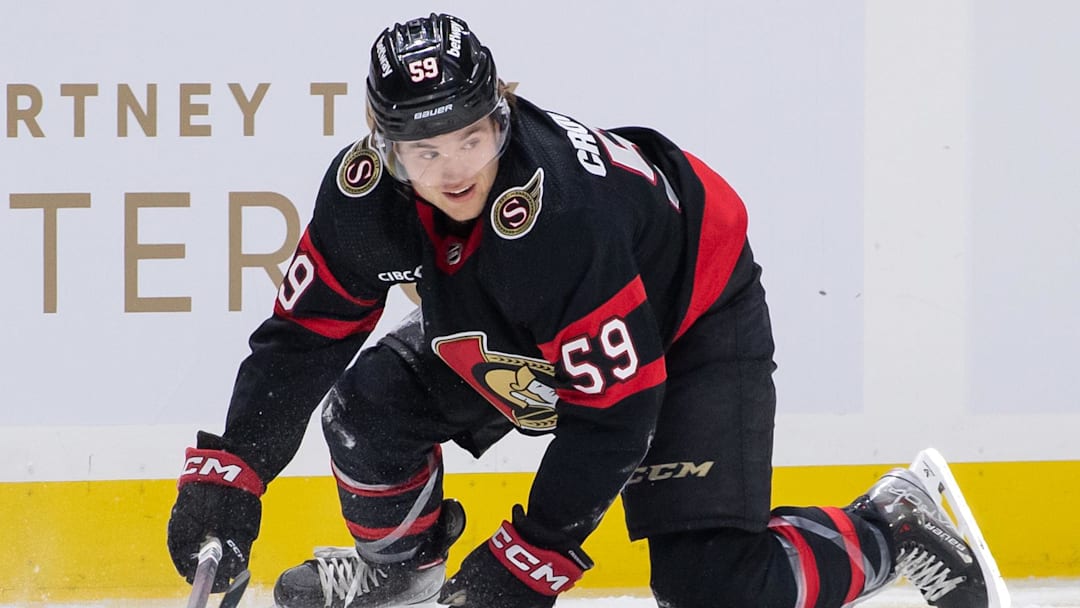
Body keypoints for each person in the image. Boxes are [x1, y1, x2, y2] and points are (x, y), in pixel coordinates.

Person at [167, 13, 1004, 608]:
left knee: (712, 585)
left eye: (471, 138)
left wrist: (533, 555)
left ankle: (893, 527)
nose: (455, 169)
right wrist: (233, 470)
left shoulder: (563, 216)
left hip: (688, 316)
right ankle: (401, 569)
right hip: (530, 321)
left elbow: (614, 413)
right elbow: (303, 338)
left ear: (503, 113)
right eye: (425, 150)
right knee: (368, 405)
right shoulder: (361, 199)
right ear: (383, 151)